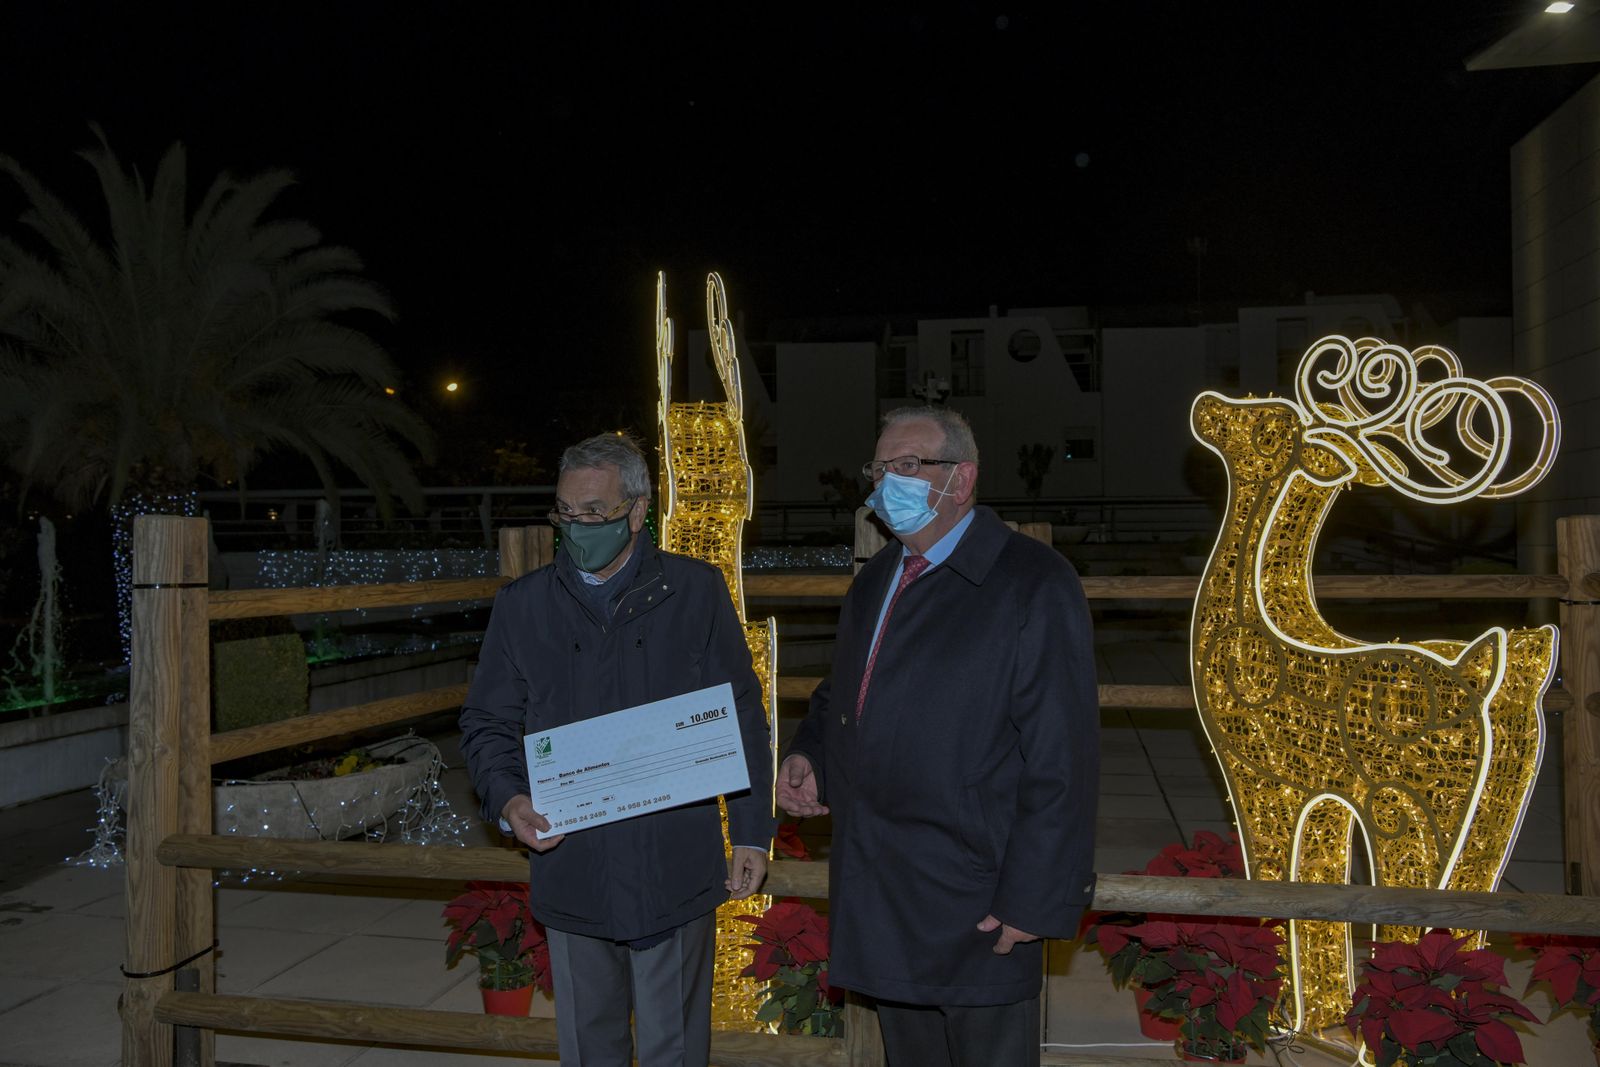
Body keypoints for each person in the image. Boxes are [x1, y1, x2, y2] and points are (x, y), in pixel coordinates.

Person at [778, 407, 1098, 1067]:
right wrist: (813, 755)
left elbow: (1062, 756)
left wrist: (1035, 898)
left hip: (978, 901)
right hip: (886, 887)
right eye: (879, 468)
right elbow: (846, 693)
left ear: (962, 478)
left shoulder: (1032, 581)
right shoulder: (876, 580)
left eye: (906, 466)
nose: (885, 482)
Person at [459, 431, 775, 1067]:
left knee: (675, 1049)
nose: (576, 528)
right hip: (573, 861)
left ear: (637, 511)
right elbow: (488, 719)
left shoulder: (695, 591)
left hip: (674, 861)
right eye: (564, 513)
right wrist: (509, 797)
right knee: (588, 1045)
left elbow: (740, 711)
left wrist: (750, 831)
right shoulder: (524, 606)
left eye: (594, 513)